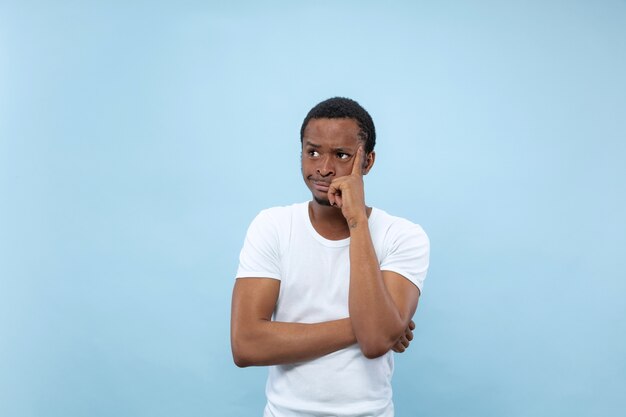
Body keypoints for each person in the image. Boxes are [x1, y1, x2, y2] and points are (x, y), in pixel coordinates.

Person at [230, 97, 430, 417]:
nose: (323, 167)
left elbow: (376, 341)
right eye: (313, 152)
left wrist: (357, 222)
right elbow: (246, 344)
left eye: (341, 155)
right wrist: (374, 325)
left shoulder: (403, 236)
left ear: (367, 162)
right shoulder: (272, 226)